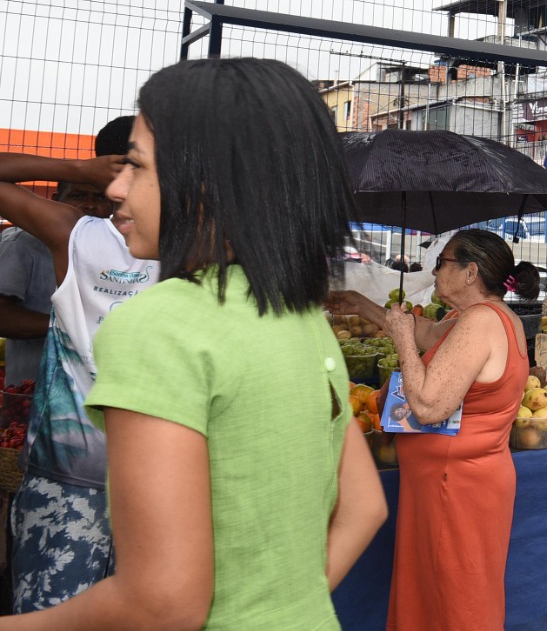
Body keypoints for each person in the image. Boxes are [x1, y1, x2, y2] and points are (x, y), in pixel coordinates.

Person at [0, 58, 388, 629]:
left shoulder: (157, 325)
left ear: (204, 184)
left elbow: (162, 603)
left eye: (136, 166)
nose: (114, 187)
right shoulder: (297, 312)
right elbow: (365, 508)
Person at [332, 228, 531, 631]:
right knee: (442, 592)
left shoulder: (480, 322)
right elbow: (425, 333)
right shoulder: (476, 318)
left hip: (454, 487)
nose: (435, 271)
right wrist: (358, 304)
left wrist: (404, 343)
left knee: (452, 599)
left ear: (471, 272)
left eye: (442, 262)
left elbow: (427, 405)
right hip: (453, 482)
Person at [0, 118, 159, 611]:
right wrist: (77, 169)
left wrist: (77, 170)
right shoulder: (79, 236)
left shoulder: (202, 254)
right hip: (84, 481)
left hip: (134, 485)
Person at [0, 183, 111, 389]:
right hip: (33, 389)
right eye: (78, 196)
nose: (90, 205)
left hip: (98, 389)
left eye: (101, 198)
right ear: (55, 200)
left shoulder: (121, 248)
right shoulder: (21, 243)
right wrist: (73, 327)